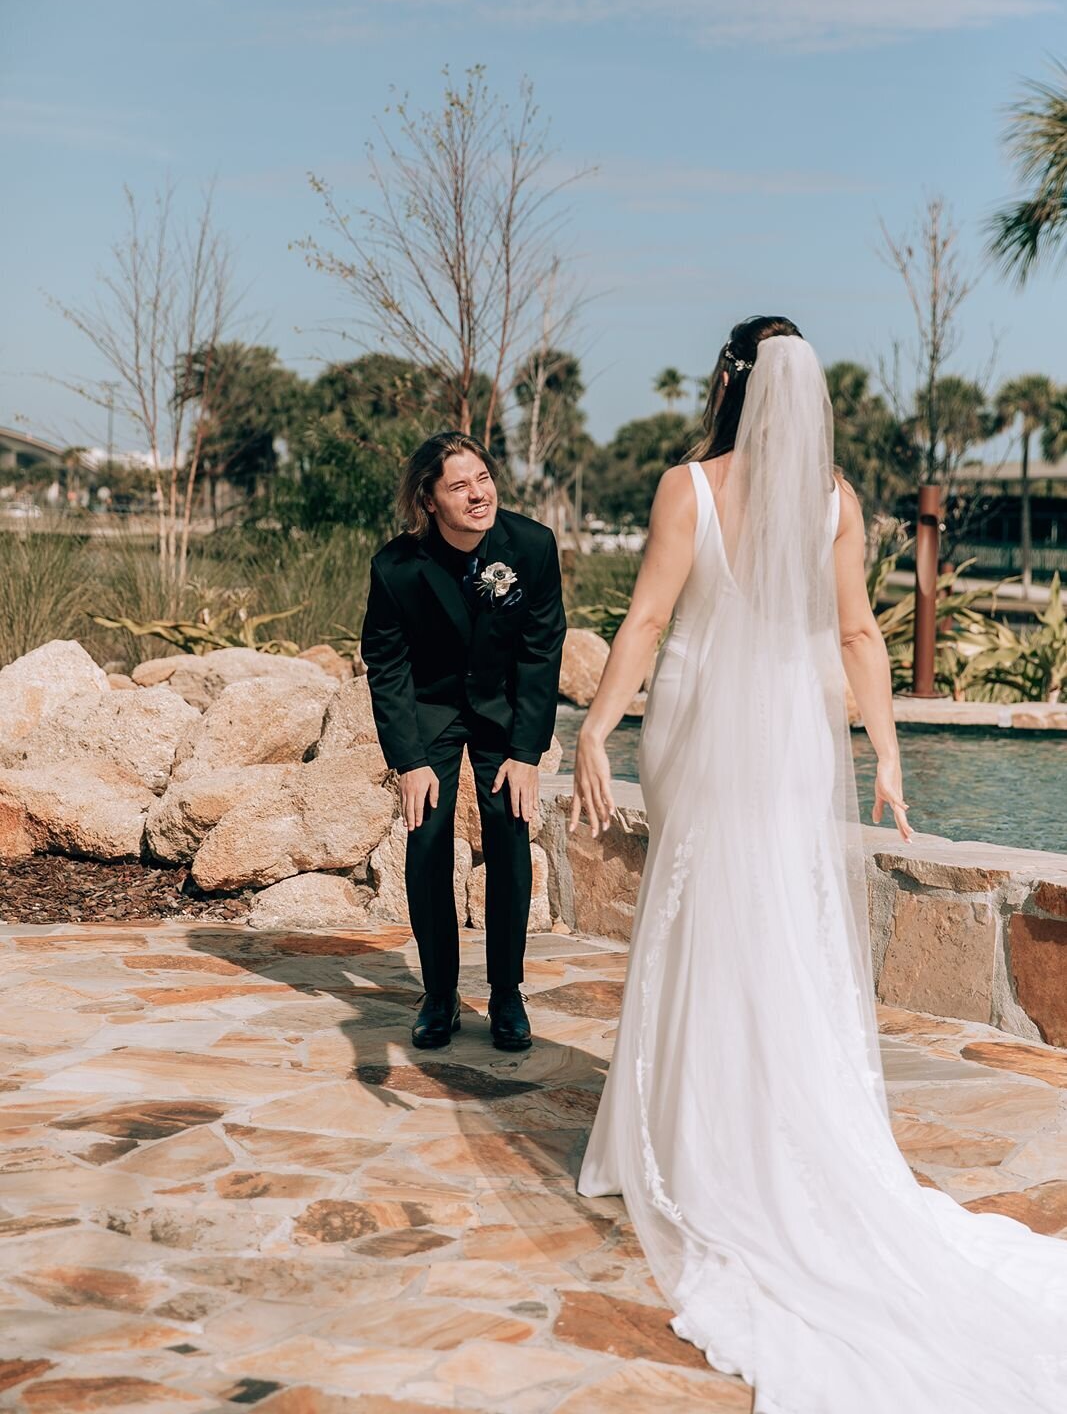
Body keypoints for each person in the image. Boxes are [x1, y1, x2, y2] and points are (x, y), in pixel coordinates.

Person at [570, 318, 1067, 1413]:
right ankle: (779, 1125)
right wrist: (883, 750)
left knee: (699, 912)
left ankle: (689, 1148)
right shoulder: (834, 502)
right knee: (780, 919)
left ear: (726, 381)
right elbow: (855, 637)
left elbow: (648, 615)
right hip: (796, 732)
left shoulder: (685, 486)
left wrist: (595, 724)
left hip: (700, 720)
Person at [361, 431, 566, 1052]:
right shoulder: (396, 568)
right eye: (459, 485)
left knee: (509, 835)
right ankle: (440, 994)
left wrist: (527, 754)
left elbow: (541, 649)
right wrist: (410, 761)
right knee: (426, 842)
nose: (479, 494)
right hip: (433, 714)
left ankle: (507, 993)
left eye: (483, 479)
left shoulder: (530, 546)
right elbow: (387, 664)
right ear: (429, 499)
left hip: (505, 717)